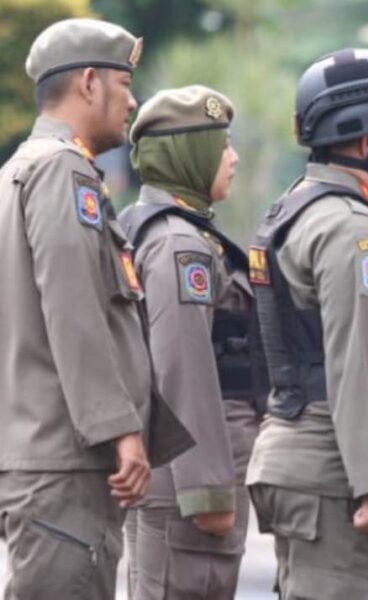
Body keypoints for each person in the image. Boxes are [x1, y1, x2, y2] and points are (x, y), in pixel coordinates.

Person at [245, 48, 368, 598]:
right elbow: (354, 357)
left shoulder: (306, 205)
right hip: (338, 485)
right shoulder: (349, 232)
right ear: (365, 142)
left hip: (327, 478)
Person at [0, 18, 192, 600]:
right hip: (67, 458)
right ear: (88, 82)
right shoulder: (63, 170)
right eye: (123, 83)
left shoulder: (20, 169)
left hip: (44, 450)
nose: (132, 100)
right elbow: (74, 309)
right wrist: (120, 429)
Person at [119, 85, 267, 599]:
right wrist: (207, 491)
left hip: (173, 471)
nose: (233, 157)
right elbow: (184, 369)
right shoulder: (180, 245)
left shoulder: (162, 231)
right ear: (189, 155)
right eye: (219, 145)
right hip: (188, 478)